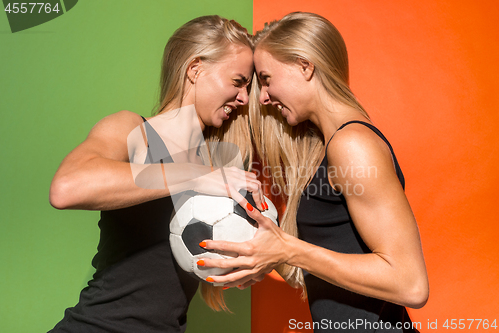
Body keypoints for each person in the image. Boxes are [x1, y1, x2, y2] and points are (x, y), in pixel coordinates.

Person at [199, 12, 429, 332]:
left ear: (305, 66)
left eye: (266, 79)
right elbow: (335, 264)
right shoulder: (329, 146)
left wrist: (290, 248)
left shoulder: (352, 144)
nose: (263, 97)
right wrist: (268, 251)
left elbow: (410, 284)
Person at [48, 15, 264, 333]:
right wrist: (194, 175)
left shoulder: (218, 164)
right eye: (237, 82)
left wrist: (246, 265)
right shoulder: (135, 131)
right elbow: (66, 188)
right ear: (195, 69)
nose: (244, 98)